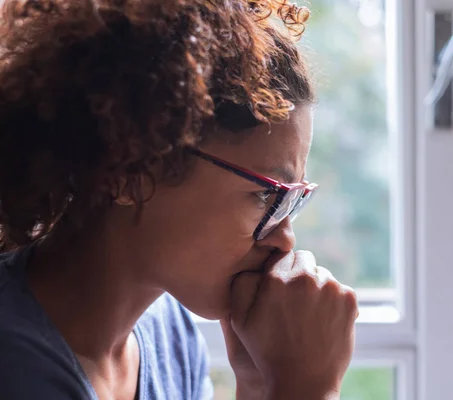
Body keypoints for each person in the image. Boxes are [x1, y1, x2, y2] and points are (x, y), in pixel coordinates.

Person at [0, 1, 359, 399]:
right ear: (131, 169)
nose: (284, 239)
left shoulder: (168, 331)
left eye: (292, 199)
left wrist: (260, 385)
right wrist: (306, 388)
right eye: (264, 193)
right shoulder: (15, 366)